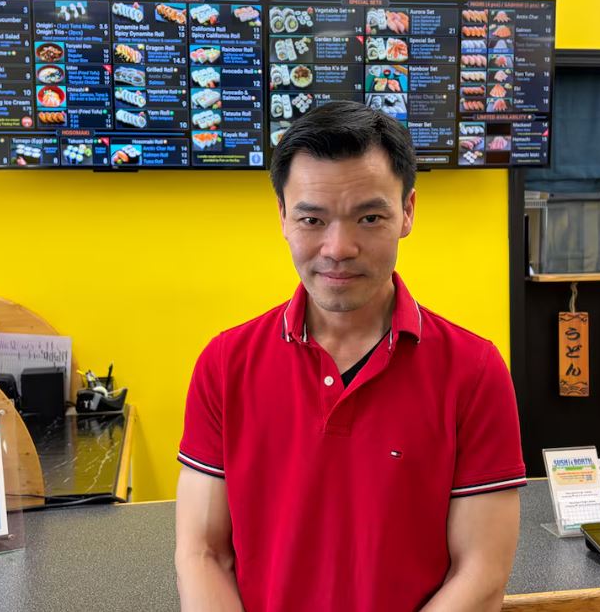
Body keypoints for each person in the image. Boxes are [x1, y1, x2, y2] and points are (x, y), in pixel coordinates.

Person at [175, 101, 526, 612]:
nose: (339, 247)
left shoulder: (473, 372)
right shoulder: (225, 363)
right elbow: (203, 552)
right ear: (282, 217)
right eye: (313, 219)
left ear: (407, 212)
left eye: (369, 217)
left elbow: (481, 571)